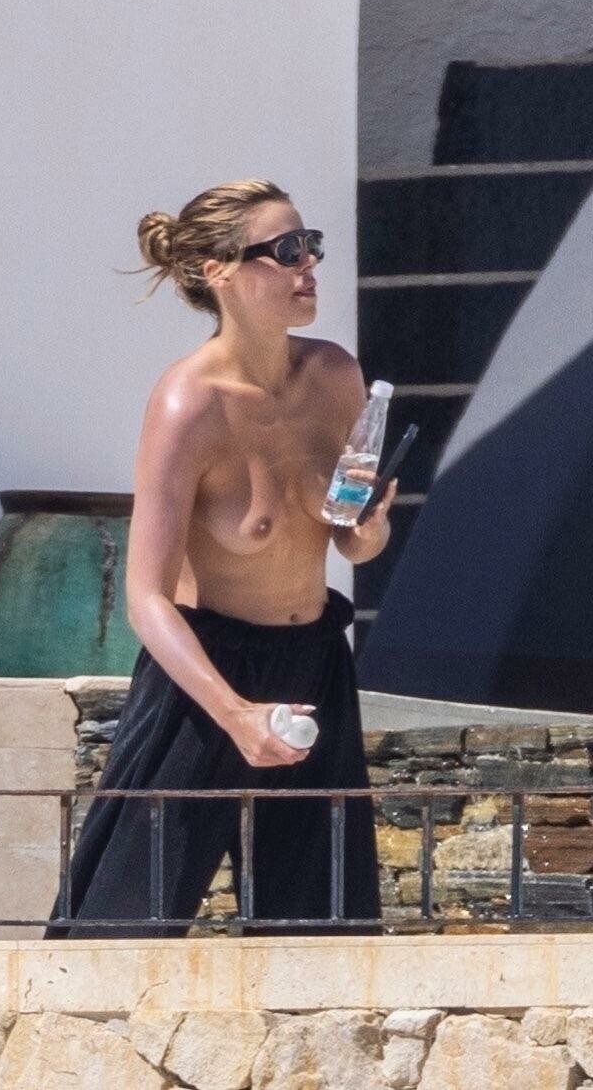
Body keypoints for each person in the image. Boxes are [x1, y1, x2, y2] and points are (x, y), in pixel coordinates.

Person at [44, 179, 397, 938]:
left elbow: (350, 540)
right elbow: (146, 597)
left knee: (323, 935)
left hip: (314, 665)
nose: (309, 265)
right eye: (286, 250)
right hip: (205, 678)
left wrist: (370, 530)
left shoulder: (335, 375)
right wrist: (235, 713)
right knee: (117, 931)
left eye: (311, 245)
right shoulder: (189, 403)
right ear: (220, 272)